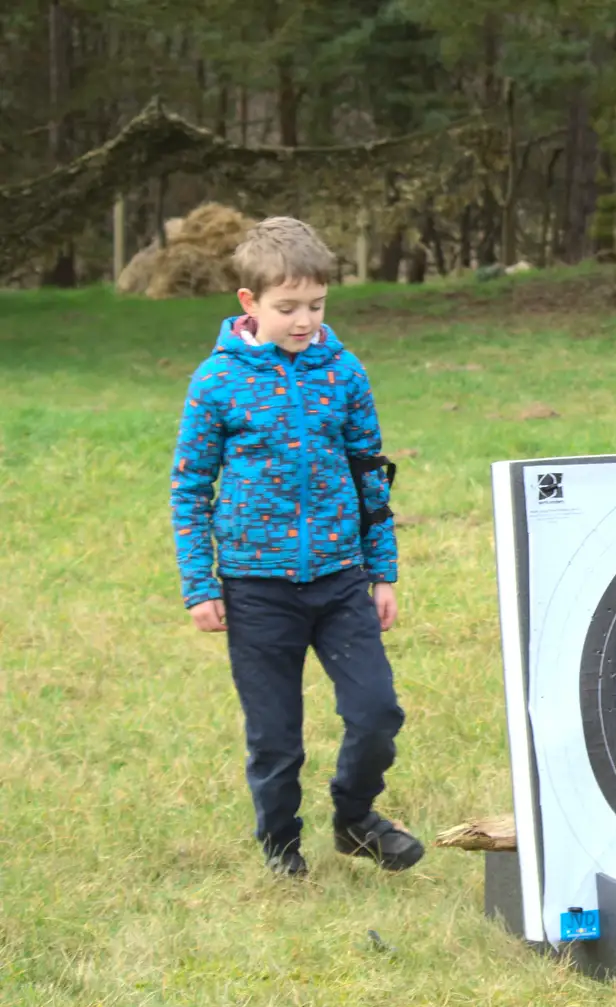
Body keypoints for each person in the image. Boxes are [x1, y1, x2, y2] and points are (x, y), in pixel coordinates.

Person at [170, 216, 423, 878]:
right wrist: (201, 584)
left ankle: (356, 817)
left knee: (376, 713)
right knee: (276, 738)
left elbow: (371, 472)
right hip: (256, 589)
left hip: (340, 582)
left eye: (315, 305)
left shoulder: (344, 372)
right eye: (289, 308)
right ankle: (282, 846)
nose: (305, 319)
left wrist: (382, 572)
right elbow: (190, 487)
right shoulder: (216, 381)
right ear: (249, 304)